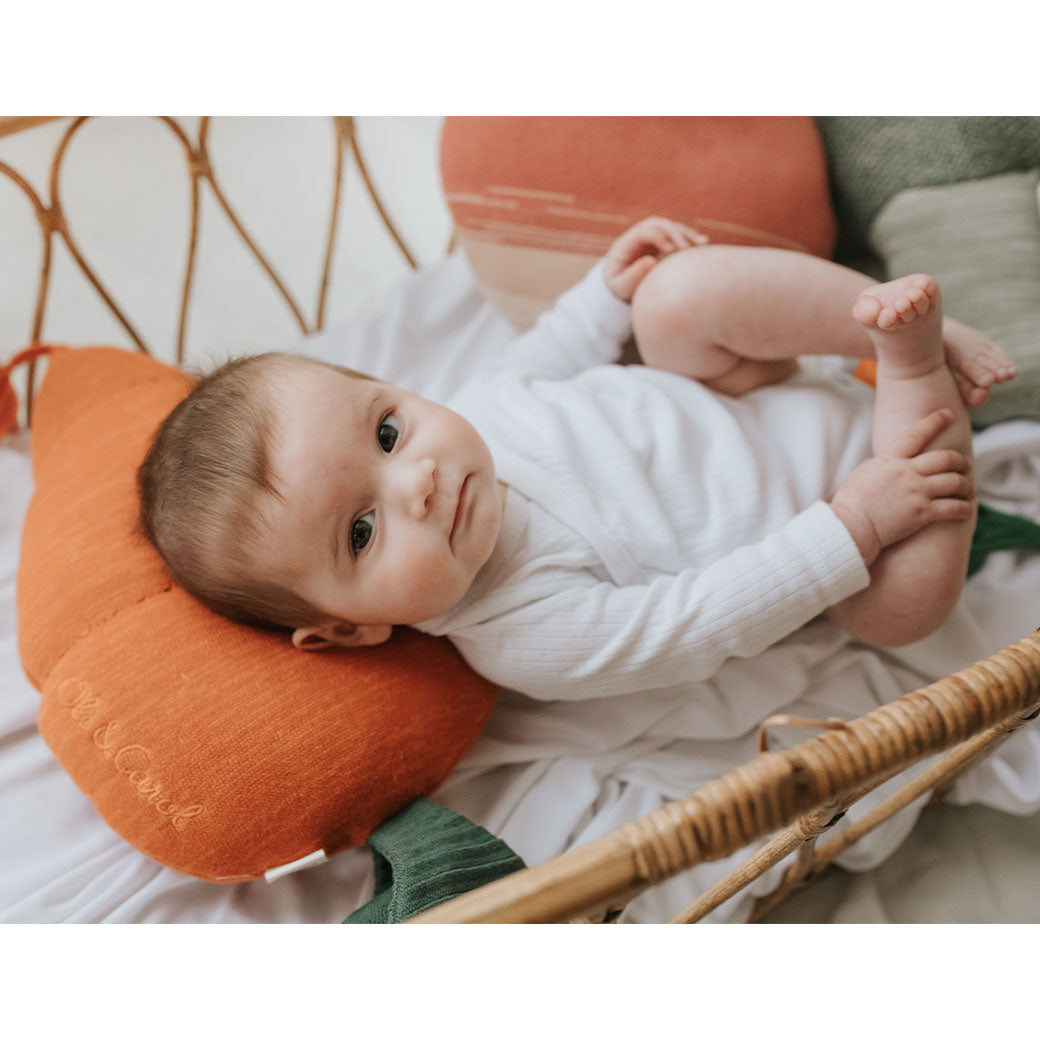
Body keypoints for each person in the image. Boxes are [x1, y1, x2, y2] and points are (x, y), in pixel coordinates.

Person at [137, 218, 1016, 701]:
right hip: (860, 509)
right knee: (901, 611)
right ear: (347, 629)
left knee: (676, 299)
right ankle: (913, 362)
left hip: (758, 391)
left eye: (387, 432)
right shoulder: (525, 633)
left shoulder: (473, 414)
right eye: (361, 532)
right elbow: (700, 621)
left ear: (394, 389)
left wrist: (607, 292)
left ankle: (873, 314)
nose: (419, 482)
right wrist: (854, 526)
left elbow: (545, 355)